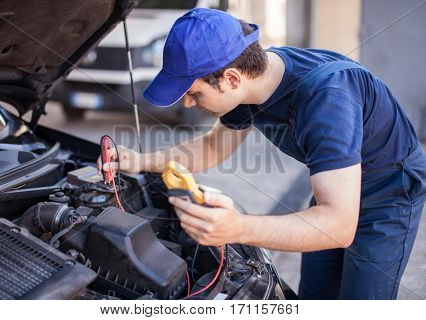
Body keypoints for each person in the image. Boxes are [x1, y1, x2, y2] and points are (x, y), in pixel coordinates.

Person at [97, 8, 425, 299]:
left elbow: (338, 225)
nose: (187, 103)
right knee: (316, 297)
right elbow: (211, 147)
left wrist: (237, 228)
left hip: (389, 191)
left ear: (231, 78)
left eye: (194, 92)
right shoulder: (250, 85)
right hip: (336, 186)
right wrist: (137, 161)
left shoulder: (327, 99)